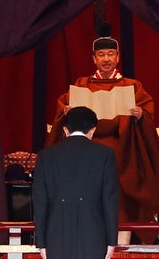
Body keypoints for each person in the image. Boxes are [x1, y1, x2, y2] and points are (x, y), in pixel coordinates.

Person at [45, 23, 159, 244]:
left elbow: (148, 116)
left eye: (111, 54)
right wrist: (66, 112)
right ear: (94, 59)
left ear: (118, 57)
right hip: (87, 157)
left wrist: (140, 116)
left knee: (120, 204)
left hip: (123, 158)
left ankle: (121, 249)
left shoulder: (132, 86)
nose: (106, 59)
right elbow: (62, 113)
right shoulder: (82, 85)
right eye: (101, 55)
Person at [33, 106, 119, 259]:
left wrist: (41, 242)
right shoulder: (105, 154)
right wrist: (112, 241)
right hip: (94, 235)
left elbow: (40, 203)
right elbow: (110, 200)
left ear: (65, 130)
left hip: (56, 236)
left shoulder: (45, 156)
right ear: (93, 130)